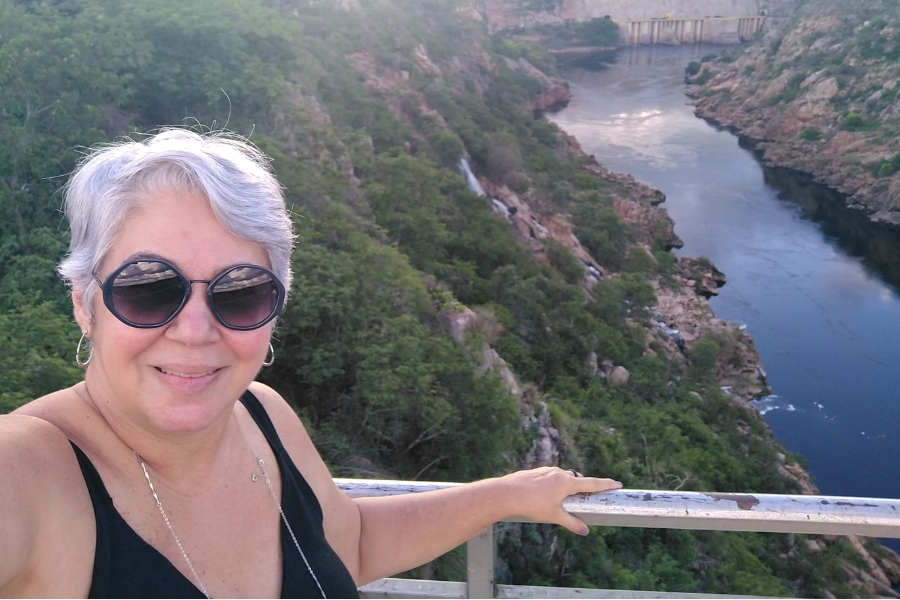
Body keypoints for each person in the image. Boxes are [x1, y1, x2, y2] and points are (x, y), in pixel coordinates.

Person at [0, 129, 621, 598]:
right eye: (148, 289)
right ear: (84, 303)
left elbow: (352, 543)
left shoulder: (262, 417)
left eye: (240, 292)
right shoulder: (31, 470)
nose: (194, 330)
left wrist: (505, 495)